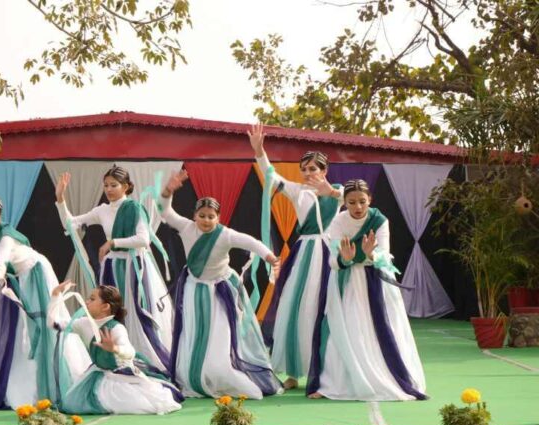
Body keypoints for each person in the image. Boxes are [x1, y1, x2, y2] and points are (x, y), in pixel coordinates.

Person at [0, 195, 87, 410]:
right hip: (2, 280)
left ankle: (46, 387)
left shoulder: (6, 237)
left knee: (39, 330)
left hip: (32, 275)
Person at [159, 170, 283, 399]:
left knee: (221, 334)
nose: (206, 220)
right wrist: (168, 191)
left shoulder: (225, 235)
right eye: (202, 215)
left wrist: (271, 258)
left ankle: (222, 371)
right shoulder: (187, 228)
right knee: (195, 332)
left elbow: (252, 243)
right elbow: (165, 211)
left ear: (218, 218)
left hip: (220, 291)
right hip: (194, 288)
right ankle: (198, 374)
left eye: (211, 216)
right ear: (194, 215)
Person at [309, 179, 427, 401]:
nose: (358, 207)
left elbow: (385, 257)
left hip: (376, 283)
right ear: (344, 202)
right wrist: (345, 259)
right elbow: (333, 262)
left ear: (370, 200)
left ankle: (387, 379)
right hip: (348, 282)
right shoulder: (337, 222)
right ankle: (335, 384)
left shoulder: (380, 220)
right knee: (345, 329)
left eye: (362, 201)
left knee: (381, 328)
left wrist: (371, 254)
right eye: (352, 202)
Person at [248, 123, 343, 391]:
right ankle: (293, 372)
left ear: (324, 171)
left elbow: (357, 198)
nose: (308, 173)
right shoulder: (296, 191)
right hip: (304, 255)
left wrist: (331, 192)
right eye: (305, 169)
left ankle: (324, 372)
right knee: (295, 308)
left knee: (325, 310)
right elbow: (270, 175)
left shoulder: (337, 191)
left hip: (329, 254)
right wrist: (259, 151)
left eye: (313, 168)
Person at [55, 166, 173, 374]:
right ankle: (113, 358)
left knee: (136, 315)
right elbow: (70, 225)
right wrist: (60, 199)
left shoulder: (134, 208)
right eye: (106, 185)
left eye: (114, 185)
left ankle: (139, 359)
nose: (109, 189)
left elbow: (143, 239)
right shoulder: (102, 210)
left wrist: (112, 242)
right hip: (112, 267)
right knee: (113, 314)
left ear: (126, 187)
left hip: (133, 267)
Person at [49, 281, 182, 415]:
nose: (87, 301)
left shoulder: (116, 328)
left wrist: (114, 348)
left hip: (120, 375)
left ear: (105, 307)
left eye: (92, 299)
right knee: (71, 404)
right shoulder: (83, 323)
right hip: (98, 374)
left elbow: (130, 352)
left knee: (140, 403)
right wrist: (55, 295)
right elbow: (53, 323)